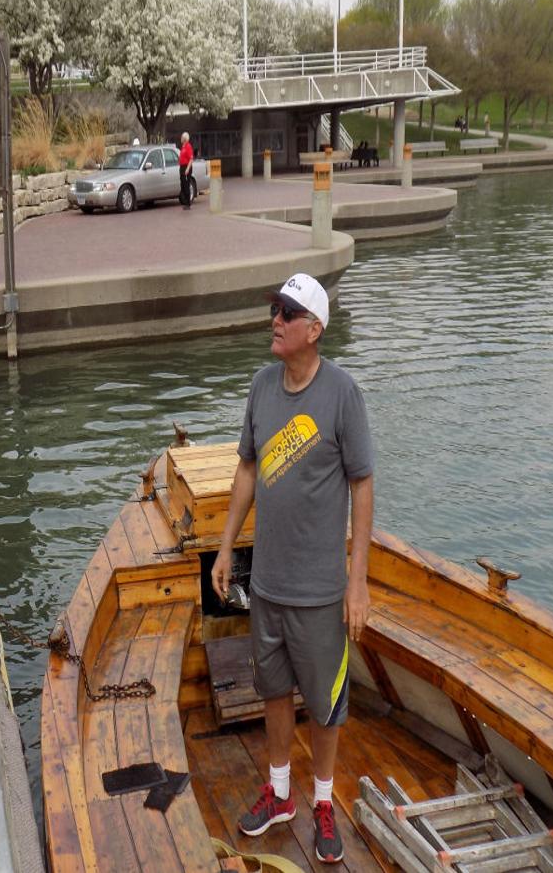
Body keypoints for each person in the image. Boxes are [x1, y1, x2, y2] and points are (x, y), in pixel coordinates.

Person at [211, 272, 374, 864]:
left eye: (286, 312)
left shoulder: (342, 394)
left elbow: (363, 484)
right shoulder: (260, 387)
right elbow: (248, 470)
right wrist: (228, 546)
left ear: (314, 329)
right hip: (269, 584)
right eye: (274, 309)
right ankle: (280, 793)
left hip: (321, 590)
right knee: (274, 691)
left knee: (325, 704)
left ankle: (324, 801)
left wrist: (357, 583)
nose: (274, 321)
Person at [178, 130, 194, 209]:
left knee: (186, 185)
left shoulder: (188, 146)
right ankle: (185, 202)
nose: (180, 138)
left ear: (184, 138)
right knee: (183, 185)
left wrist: (187, 169)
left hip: (186, 167)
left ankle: (188, 203)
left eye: (182, 137)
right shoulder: (183, 146)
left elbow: (191, 159)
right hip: (182, 167)